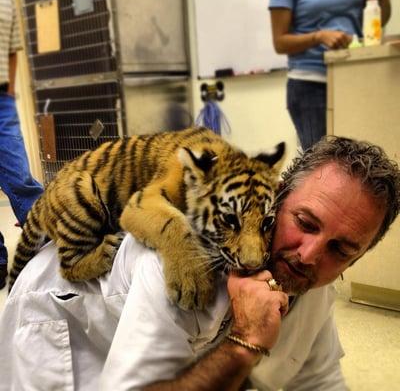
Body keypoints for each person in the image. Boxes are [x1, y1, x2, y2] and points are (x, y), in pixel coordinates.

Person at [1, 136, 399, 390]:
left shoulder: (307, 272)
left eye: (342, 250)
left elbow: (320, 381)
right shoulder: (179, 258)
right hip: (57, 320)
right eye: (305, 223)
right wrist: (245, 344)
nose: (309, 254)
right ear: (276, 197)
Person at [269, 0, 391, 150]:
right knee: (321, 163)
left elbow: (379, 20)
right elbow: (280, 43)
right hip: (311, 84)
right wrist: (318, 37)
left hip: (356, 79)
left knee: (365, 158)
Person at [0, 0, 43, 289]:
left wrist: (10, 94)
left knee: (19, 175)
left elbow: (13, 50)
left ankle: (50, 235)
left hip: (1, 98)